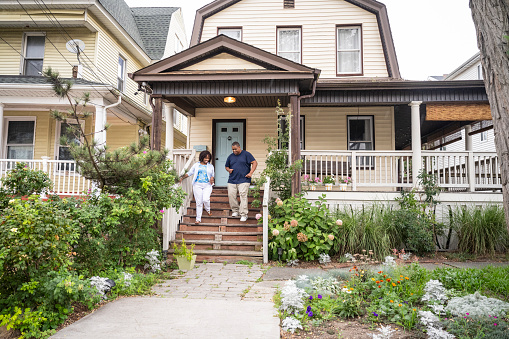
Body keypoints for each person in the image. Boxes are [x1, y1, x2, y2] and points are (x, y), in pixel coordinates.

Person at [225, 141, 257, 222]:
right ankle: (235, 211)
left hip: (244, 179)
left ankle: (243, 214)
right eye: (233, 149)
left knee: (243, 196)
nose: (234, 151)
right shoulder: (230, 156)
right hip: (232, 180)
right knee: (231, 195)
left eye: (235, 149)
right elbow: (226, 166)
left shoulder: (246, 154)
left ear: (239, 147)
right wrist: (229, 170)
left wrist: (250, 173)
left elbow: (254, 162)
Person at [180, 150, 215, 224]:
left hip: (207, 185)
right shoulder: (196, 165)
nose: (207, 160)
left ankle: (208, 209)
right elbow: (189, 173)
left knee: (205, 199)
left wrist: (212, 178)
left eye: (208, 158)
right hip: (197, 185)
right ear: (202, 157)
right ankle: (198, 219)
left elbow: (212, 175)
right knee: (199, 202)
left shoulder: (211, 166)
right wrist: (182, 177)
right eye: (205, 158)